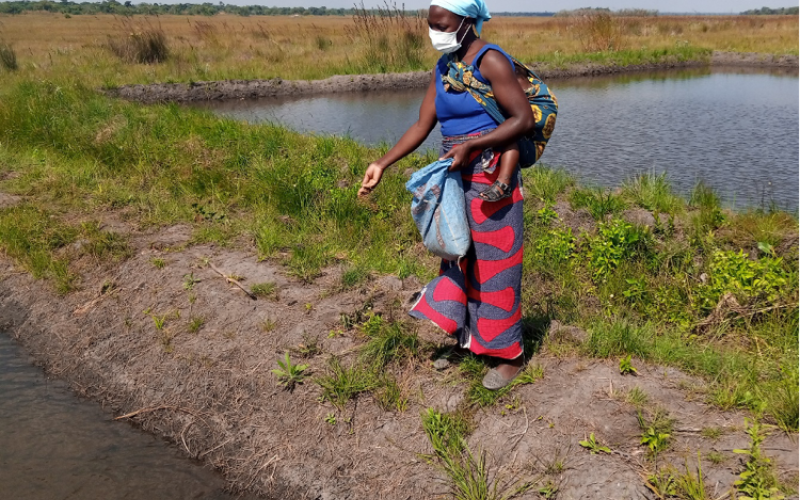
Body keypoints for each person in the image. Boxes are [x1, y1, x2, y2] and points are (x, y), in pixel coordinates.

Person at [358, 0, 535, 389]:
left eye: (441, 23)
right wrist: (382, 164)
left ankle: (509, 355)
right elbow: (423, 124)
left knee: (496, 264)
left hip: (491, 177)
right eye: (430, 24)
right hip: (454, 178)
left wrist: (473, 146)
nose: (433, 31)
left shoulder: (490, 61)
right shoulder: (444, 67)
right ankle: (467, 338)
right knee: (458, 257)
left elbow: (522, 118)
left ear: (467, 22)